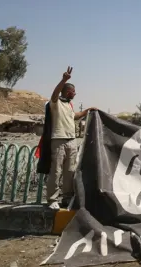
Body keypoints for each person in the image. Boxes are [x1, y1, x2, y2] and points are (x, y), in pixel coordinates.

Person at [36, 66, 97, 209]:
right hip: (58, 141)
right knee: (55, 171)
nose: (75, 94)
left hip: (71, 141)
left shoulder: (69, 105)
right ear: (68, 91)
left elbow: (74, 116)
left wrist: (88, 110)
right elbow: (54, 94)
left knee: (69, 171)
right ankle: (52, 200)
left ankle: (67, 198)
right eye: (74, 92)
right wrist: (64, 80)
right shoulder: (55, 103)